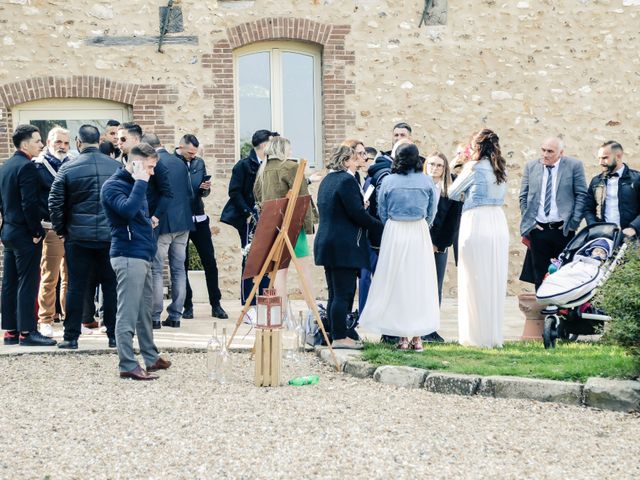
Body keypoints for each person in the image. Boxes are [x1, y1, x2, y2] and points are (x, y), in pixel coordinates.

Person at [101, 143, 171, 380]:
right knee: (128, 313)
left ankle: (151, 358)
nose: (151, 173)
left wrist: (147, 222)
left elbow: (135, 215)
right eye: (149, 167)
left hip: (142, 253)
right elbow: (127, 210)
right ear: (135, 163)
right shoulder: (113, 186)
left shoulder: (134, 184)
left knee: (144, 311)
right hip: (128, 255)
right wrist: (141, 181)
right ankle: (127, 364)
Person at [359, 143, 439, 351]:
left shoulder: (389, 180)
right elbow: (432, 210)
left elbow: (382, 209)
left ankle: (402, 337)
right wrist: (423, 223)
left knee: (397, 282)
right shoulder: (426, 180)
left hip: (395, 230)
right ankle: (418, 337)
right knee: (419, 282)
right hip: (418, 230)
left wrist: (393, 224)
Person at [49, 124, 119, 349]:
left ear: (78, 143)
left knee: (76, 286)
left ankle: (71, 337)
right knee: (110, 286)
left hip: (78, 237)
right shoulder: (116, 167)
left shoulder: (68, 168)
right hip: (110, 237)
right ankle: (114, 336)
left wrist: (61, 229)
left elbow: (55, 202)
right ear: (99, 142)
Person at [314, 144, 382, 349]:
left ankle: (337, 334)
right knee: (344, 293)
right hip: (343, 245)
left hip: (328, 242)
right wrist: (381, 227)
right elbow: (356, 214)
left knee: (335, 293)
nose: (358, 161)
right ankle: (340, 338)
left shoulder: (328, 180)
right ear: (345, 161)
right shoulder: (346, 180)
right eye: (354, 158)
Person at [449, 128, 509, 348]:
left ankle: (475, 336)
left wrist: (458, 162)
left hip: (476, 220)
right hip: (497, 221)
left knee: (474, 278)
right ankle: (492, 335)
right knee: (493, 277)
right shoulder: (501, 168)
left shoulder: (473, 167)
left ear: (476, 147)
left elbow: (453, 192)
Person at [0, 124, 56, 347]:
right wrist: (36, 231)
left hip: (9, 232)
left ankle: (10, 332)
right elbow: (29, 203)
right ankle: (27, 332)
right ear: (25, 144)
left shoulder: (5, 167)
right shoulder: (27, 167)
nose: (41, 144)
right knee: (28, 282)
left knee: (10, 282)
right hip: (24, 233)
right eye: (37, 141)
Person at [253, 136, 319, 319]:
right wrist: (308, 226)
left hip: (272, 226)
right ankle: (314, 313)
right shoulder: (290, 167)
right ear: (283, 149)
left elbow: (257, 197)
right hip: (292, 225)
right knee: (303, 272)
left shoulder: (263, 169)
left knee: (279, 274)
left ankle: (281, 316)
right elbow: (302, 199)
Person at [519, 137, 588, 289]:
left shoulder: (574, 166)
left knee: (564, 275)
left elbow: (582, 194)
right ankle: (543, 311)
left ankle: (561, 312)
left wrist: (573, 223)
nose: (545, 154)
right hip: (539, 230)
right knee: (540, 276)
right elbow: (523, 196)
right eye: (543, 150)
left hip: (563, 230)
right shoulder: (531, 166)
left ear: (561, 153)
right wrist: (530, 223)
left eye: (550, 151)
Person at [220, 129, 276, 310]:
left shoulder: (271, 165)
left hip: (268, 218)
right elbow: (234, 192)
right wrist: (248, 213)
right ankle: (249, 304)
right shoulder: (243, 165)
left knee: (269, 259)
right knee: (250, 258)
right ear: (264, 145)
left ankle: (264, 300)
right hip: (248, 219)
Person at [142, 133, 193, 329]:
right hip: (184, 222)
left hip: (162, 222)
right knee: (179, 269)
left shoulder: (154, 163)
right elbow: (189, 191)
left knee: (156, 269)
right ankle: (176, 315)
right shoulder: (180, 162)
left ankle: (155, 317)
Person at [177, 134, 228, 320]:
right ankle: (187, 305)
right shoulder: (173, 163)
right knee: (182, 264)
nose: (193, 155)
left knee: (210, 262)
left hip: (200, 217)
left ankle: (216, 304)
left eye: (195, 152)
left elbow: (203, 193)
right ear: (180, 147)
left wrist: (205, 188)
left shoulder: (199, 163)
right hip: (181, 220)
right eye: (190, 152)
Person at [35, 126, 71, 337]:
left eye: (66, 143)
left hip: (72, 228)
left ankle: (69, 317)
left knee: (71, 277)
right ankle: (45, 318)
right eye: (58, 142)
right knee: (50, 276)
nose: (62, 146)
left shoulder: (72, 164)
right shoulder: (38, 166)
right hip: (50, 228)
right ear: (49, 142)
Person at [424, 151, 463, 342]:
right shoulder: (420, 186)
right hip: (418, 242)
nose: (435, 168)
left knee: (435, 287)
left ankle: (430, 328)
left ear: (445, 168)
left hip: (438, 245)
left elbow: (452, 221)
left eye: (439, 165)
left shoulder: (451, 191)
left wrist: (438, 244)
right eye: (432, 164)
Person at [584, 141, 640, 238]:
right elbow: (588, 208)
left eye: (605, 158)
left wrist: (634, 227)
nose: (600, 162)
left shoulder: (637, 179)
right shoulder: (596, 181)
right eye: (599, 158)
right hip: (603, 237)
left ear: (618, 156)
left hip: (631, 238)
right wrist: (594, 227)